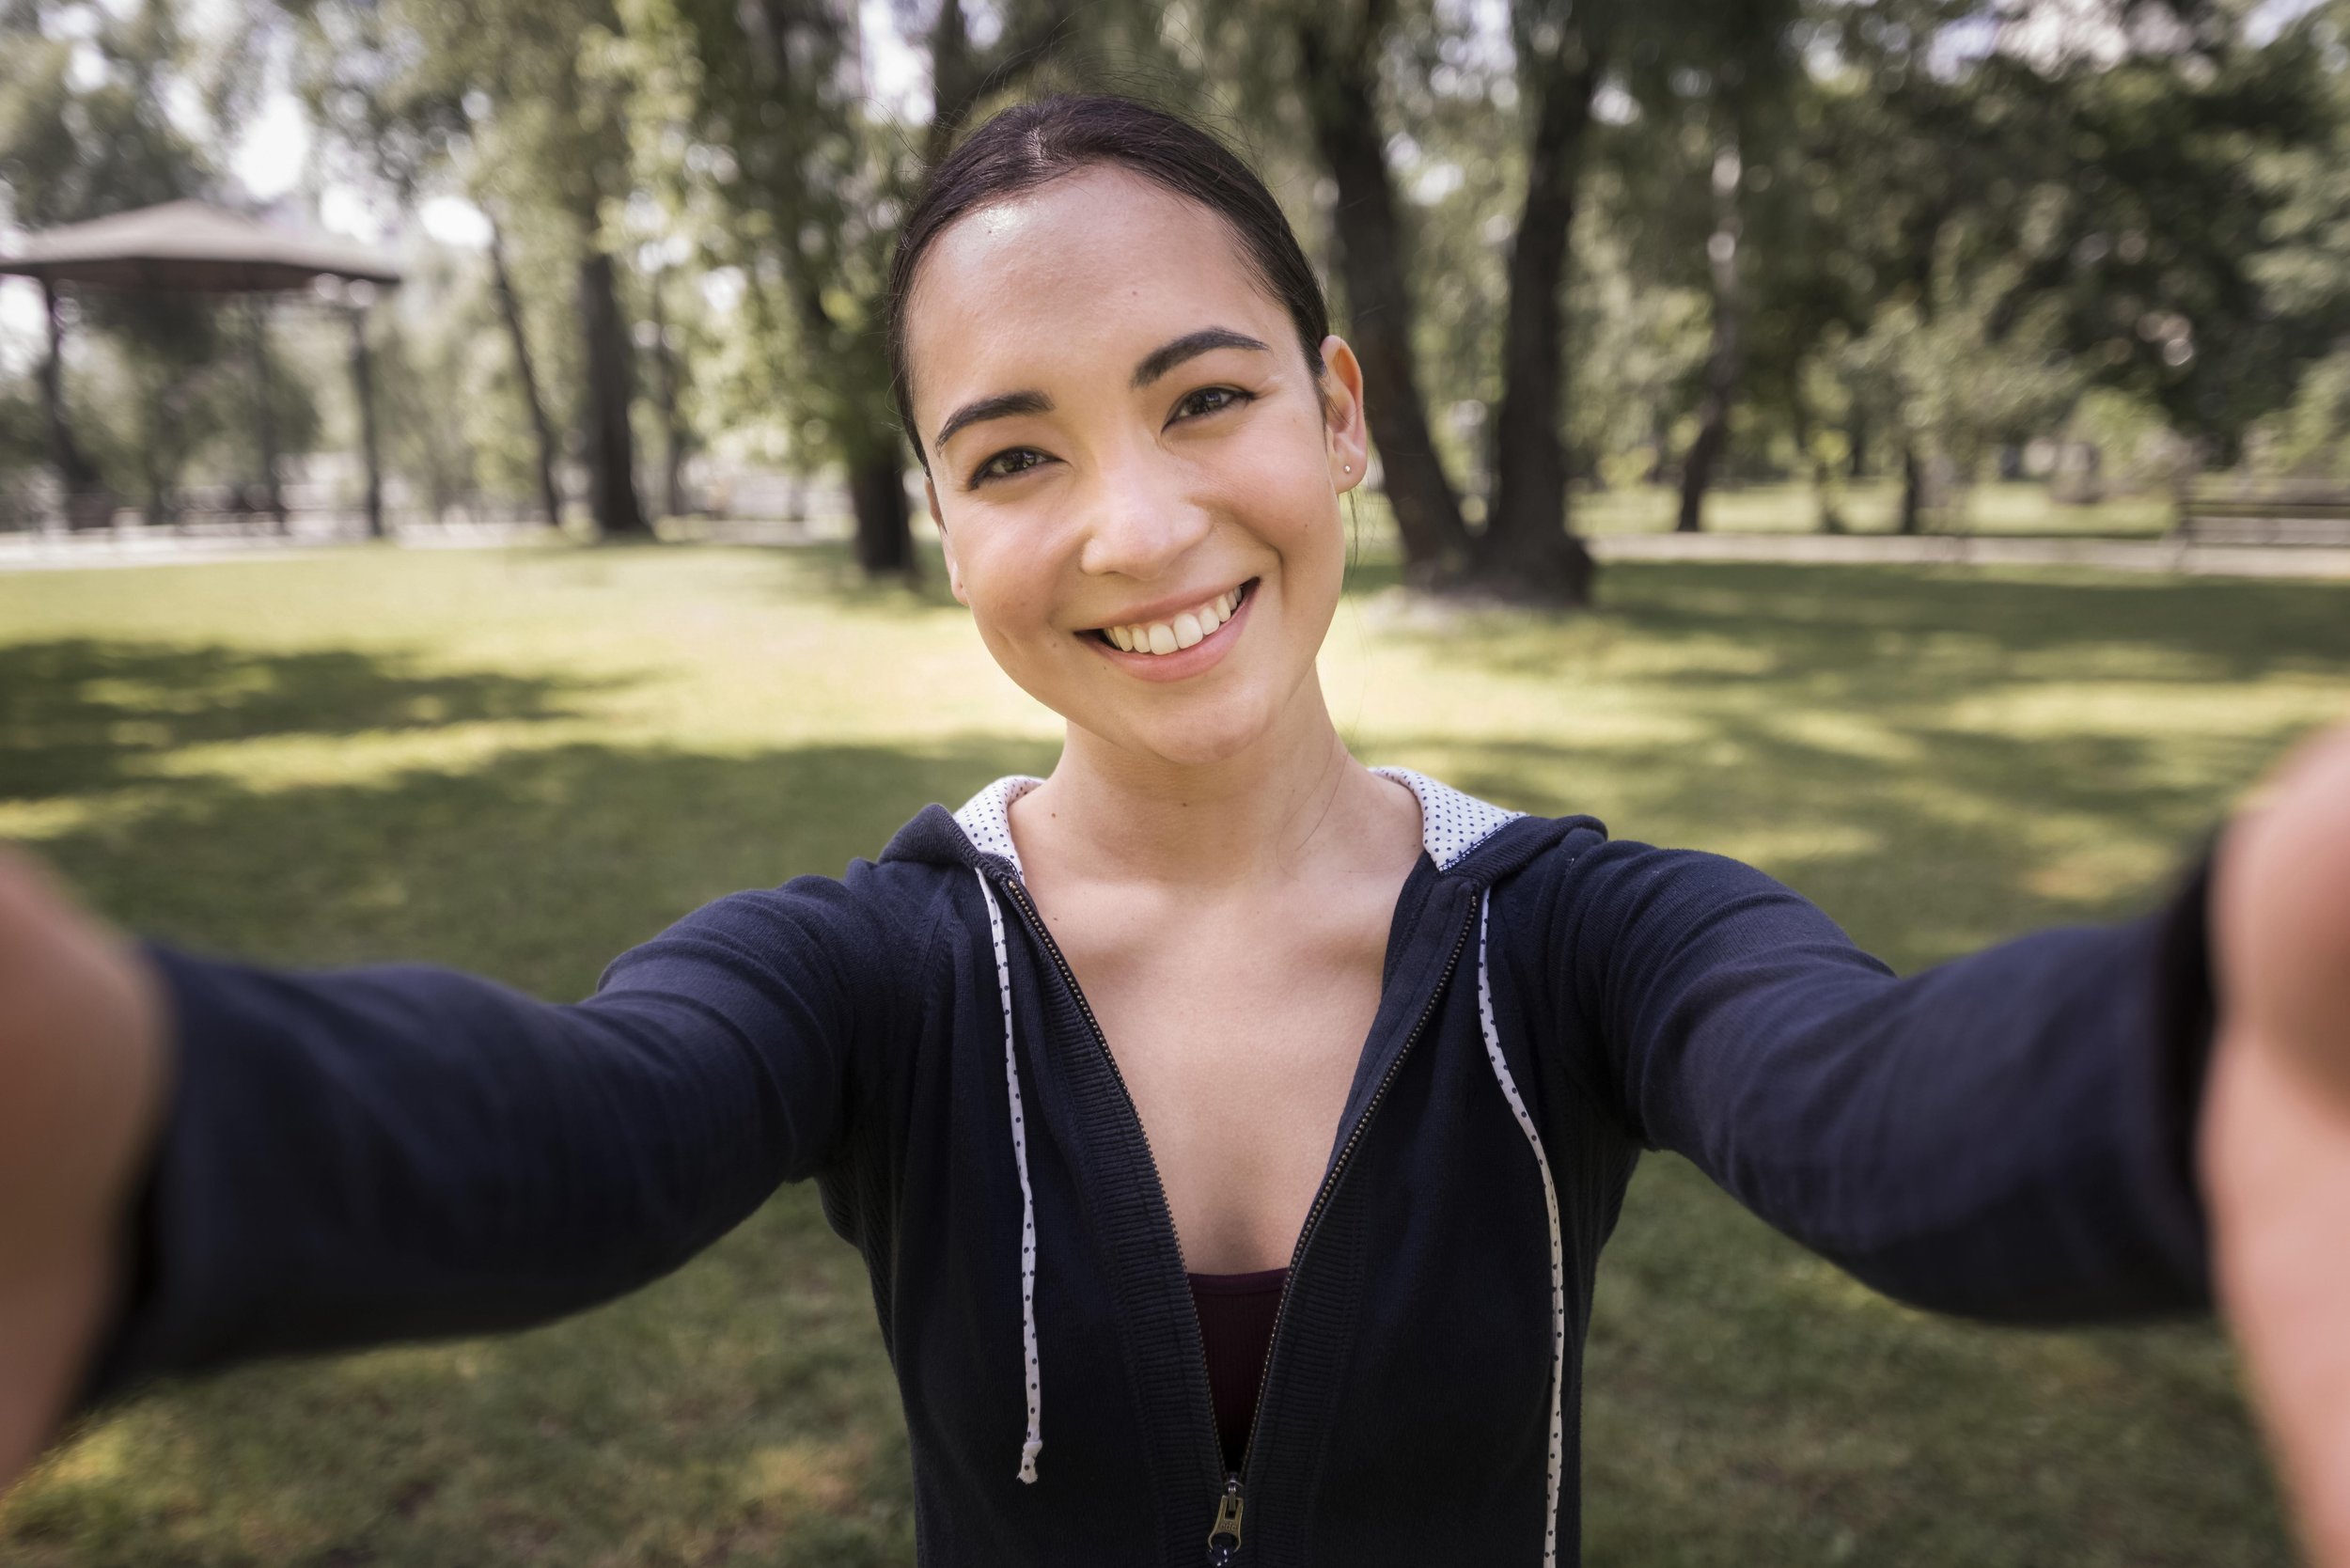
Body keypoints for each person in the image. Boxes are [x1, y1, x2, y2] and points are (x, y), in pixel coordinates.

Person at [3, 94, 2348, 1568]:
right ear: (942, 519)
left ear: (1334, 415)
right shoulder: (869, 969)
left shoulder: (1580, 941)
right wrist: (147, 1122)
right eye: (1013, 453)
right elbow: (579, 1124)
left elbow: (1878, 1102)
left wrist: (2227, 1035)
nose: (1131, 527)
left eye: (1200, 398)